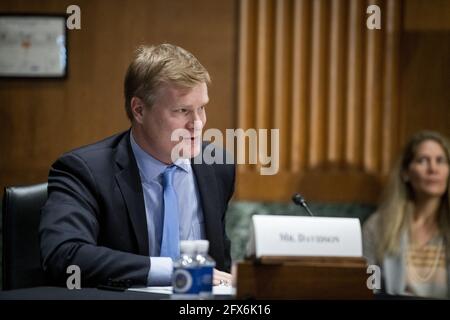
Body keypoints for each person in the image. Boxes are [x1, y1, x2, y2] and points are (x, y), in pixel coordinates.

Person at [39, 44, 235, 287]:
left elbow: (220, 265)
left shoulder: (217, 166)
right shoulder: (84, 171)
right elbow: (64, 256)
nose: (197, 123)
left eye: (202, 108)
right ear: (139, 110)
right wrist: (174, 270)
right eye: (182, 110)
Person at [363, 131, 450, 298]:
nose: (433, 168)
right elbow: (367, 288)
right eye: (422, 160)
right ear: (406, 173)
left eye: (440, 161)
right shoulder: (378, 226)